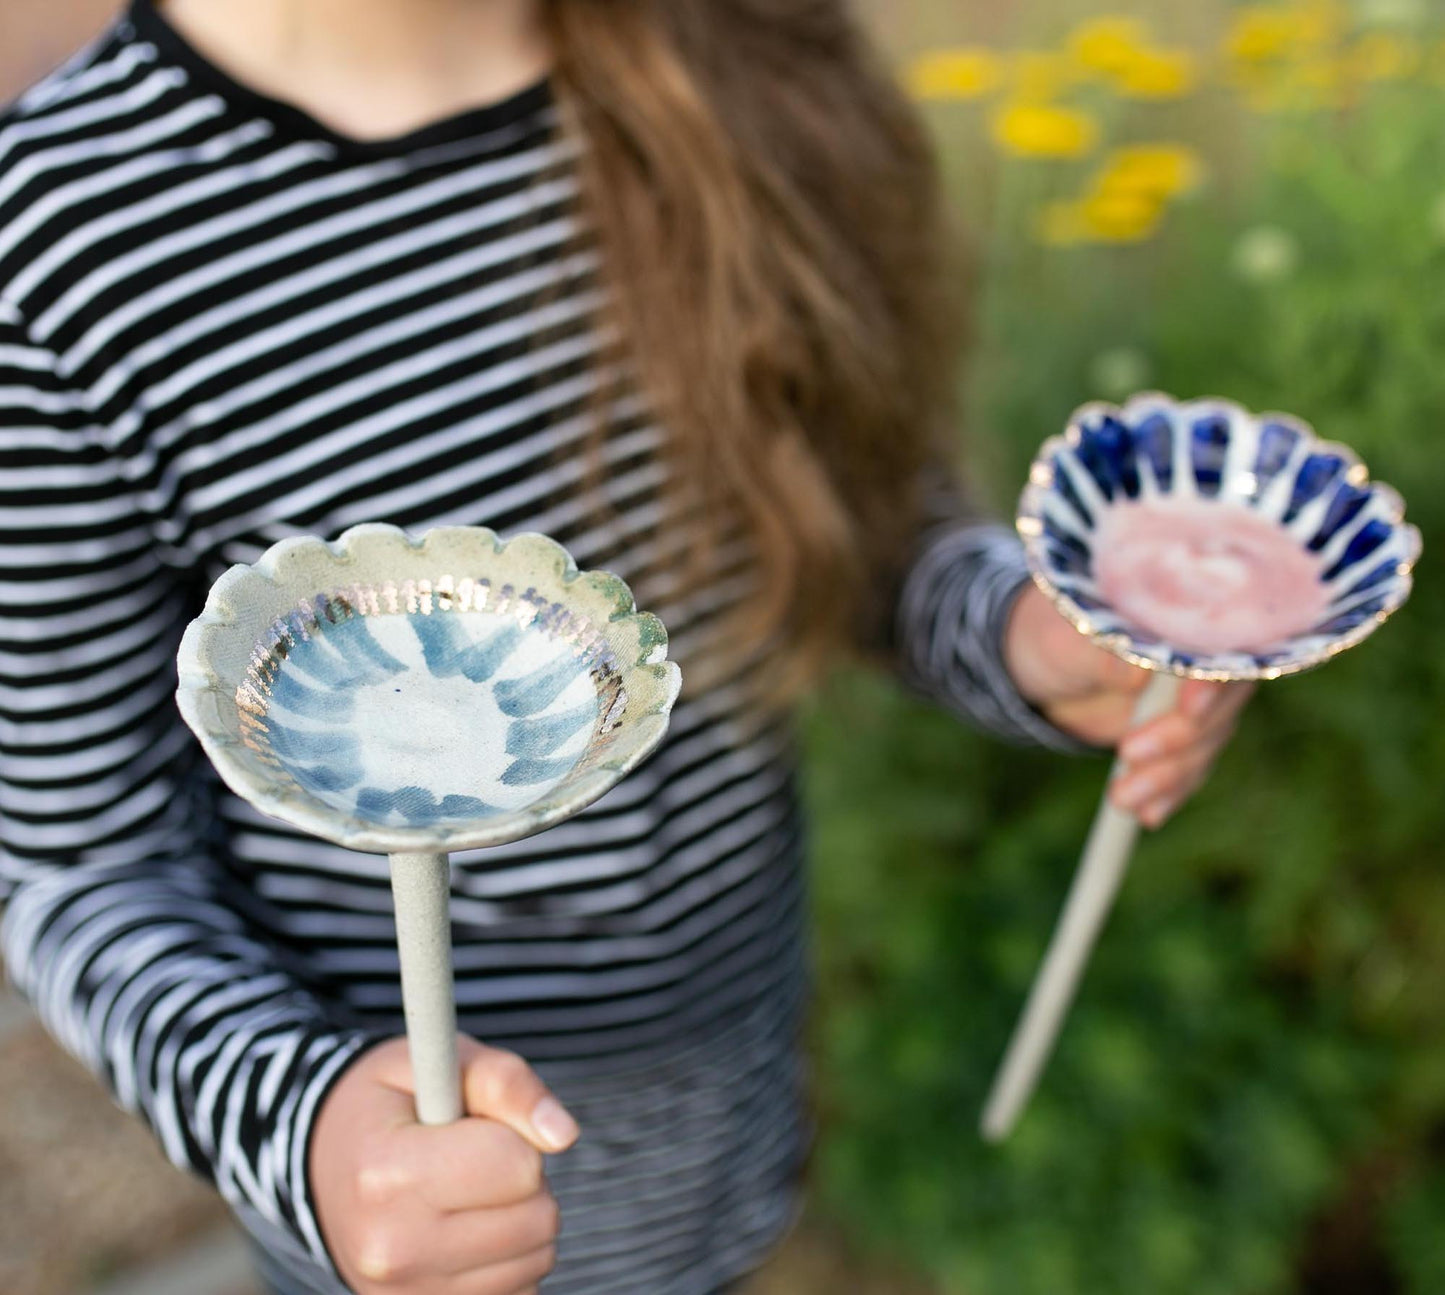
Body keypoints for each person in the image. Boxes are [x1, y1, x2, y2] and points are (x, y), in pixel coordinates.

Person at [0, 2, 1252, 1292]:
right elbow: (78, 862)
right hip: (410, 1190)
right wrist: (303, 1131)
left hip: (735, 1084)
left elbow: (848, 510)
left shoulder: (734, 48)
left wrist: (1013, 632)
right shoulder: (55, 246)